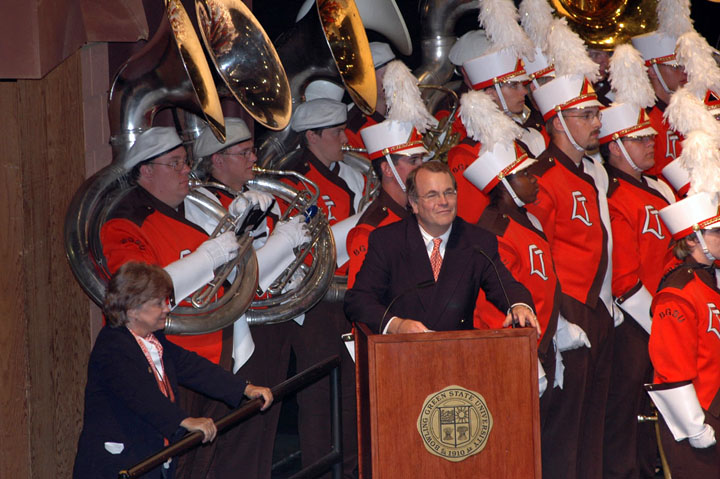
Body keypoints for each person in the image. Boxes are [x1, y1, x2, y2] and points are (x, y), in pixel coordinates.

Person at [99, 126, 274, 477]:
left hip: (207, 351)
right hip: (172, 351)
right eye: (175, 163)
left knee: (205, 464)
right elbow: (135, 292)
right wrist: (207, 255)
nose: (186, 171)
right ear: (146, 170)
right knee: (178, 463)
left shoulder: (190, 207)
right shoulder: (125, 221)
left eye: (186, 162)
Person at [184, 118, 308, 479]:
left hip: (271, 324)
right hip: (238, 332)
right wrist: (280, 241)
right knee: (239, 438)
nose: (254, 157)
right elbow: (234, 275)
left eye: (252, 149)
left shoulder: (249, 197)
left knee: (262, 437)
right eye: (244, 152)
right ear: (217, 160)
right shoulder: (202, 205)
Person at [73, 262, 272, 479]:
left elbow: (192, 367)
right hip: (115, 465)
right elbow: (141, 395)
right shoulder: (112, 346)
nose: (167, 308)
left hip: (149, 459)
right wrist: (184, 421)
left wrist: (245, 388)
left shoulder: (153, 338)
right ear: (132, 309)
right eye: (158, 303)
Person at [527, 74, 619, 479]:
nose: (598, 122)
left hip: (596, 307)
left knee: (593, 420)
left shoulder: (591, 170)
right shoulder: (541, 177)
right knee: (564, 426)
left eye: (596, 113)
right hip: (567, 311)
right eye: (587, 115)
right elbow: (536, 253)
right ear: (559, 122)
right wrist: (560, 319)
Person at [344, 160, 538, 335]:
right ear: (414, 203)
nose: (444, 202)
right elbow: (358, 300)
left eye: (449, 193)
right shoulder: (388, 241)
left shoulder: (477, 241)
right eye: (432, 195)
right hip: (402, 356)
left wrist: (519, 305)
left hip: (457, 355)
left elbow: (505, 286)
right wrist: (395, 325)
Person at [598, 99, 675, 478]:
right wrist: (660, 324)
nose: (651, 143)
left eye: (650, 136)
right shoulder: (612, 196)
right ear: (614, 146)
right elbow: (624, 280)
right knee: (625, 416)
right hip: (635, 324)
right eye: (640, 138)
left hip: (664, 318)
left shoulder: (657, 187)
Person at [285, 98, 359, 478]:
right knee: (318, 403)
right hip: (314, 306)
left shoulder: (348, 174)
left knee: (351, 397)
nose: (344, 139)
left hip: (346, 300)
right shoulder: (293, 182)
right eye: (335, 133)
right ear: (311, 136)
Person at [648, 192, 720, 478]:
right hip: (699, 418)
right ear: (692, 240)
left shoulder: (710, 279)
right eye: (716, 230)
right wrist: (695, 426)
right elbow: (670, 368)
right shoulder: (677, 294)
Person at [631, 31, 686, 183]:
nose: (684, 72)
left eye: (685, 66)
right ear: (652, 71)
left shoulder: (693, 111)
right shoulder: (642, 119)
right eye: (676, 66)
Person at [344, 42, 396, 154]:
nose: (395, 80)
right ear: (368, 82)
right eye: (386, 75)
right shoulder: (354, 128)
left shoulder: (405, 107)